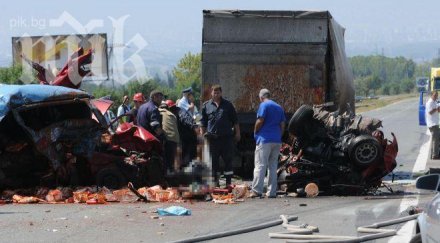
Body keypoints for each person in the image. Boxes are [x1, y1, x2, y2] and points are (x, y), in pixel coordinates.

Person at [200, 84, 240, 187]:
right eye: (214, 92)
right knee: (214, 163)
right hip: (212, 139)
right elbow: (203, 123)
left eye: (218, 92)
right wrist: (201, 136)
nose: (216, 94)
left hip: (226, 139)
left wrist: (238, 133)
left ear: (221, 93)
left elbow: (235, 121)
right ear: (211, 93)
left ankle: (228, 183)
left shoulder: (228, 105)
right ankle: (216, 184)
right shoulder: (206, 106)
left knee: (228, 161)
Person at [249, 89, 286, 198]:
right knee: (273, 166)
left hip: (264, 140)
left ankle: (257, 190)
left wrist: (255, 132)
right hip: (276, 140)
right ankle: (272, 192)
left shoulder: (264, 105)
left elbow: (260, 121)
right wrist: (279, 136)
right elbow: (283, 125)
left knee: (260, 165)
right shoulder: (279, 107)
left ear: (261, 97)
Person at [159, 100, 180, 173]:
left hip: (166, 139)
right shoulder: (172, 115)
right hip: (174, 139)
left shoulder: (158, 112)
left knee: (165, 161)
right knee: (171, 162)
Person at [426, 90, 440, 159]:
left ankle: (434, 154)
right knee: (435, 140)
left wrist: (438, 108)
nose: (436, 96)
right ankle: (435, 155)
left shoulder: (435, 102)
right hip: (432, 124)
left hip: (435, 123)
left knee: (436, 139)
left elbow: (437, 111)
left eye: (437, 95)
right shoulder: (430, 102)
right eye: (435, 95)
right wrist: (436, 108)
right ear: (431, 95)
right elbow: (430, 112)